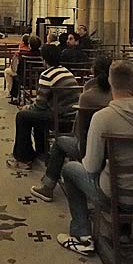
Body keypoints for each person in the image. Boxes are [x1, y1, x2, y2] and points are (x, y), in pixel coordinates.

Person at [55, 60, 133, 256]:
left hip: (118, 195)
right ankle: (122, 231)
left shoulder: (103, 117)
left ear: (110, 83)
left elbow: (90, 167)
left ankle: (82, 236)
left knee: (70, 169)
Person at [30, 56, 112, 202]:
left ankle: (48, 186)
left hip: (90, 150)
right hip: (115, 155)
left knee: (60, 142)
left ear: (93, 71)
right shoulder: (116, 95)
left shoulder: (88, 96)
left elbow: (78, 130)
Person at [6, 44, 80, 170]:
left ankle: (23, 158)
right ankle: (41, 152)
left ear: (44, 59)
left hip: (59, 117)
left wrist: (27, 107)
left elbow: (40, 106)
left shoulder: (47, 74)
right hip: (73, 117)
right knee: (34, 115)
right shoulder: (66, 71)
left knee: (22, 116)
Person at [9, 34, 42, 104]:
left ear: (29, 45)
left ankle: (15, 98)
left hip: (24, 80)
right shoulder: (42, 55)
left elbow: (16, 69)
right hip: (39, 79)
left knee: (16, 76)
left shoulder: (22, 55)